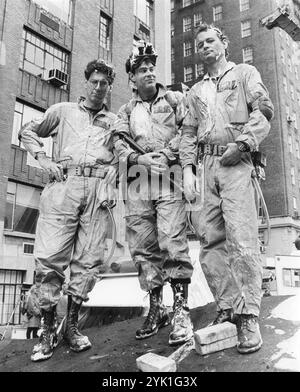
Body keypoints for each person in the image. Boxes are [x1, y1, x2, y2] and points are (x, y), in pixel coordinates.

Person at [180, 24, 274, 354]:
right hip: (205, 166)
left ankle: (248, 315)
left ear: (224, 43)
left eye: (211, 40)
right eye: (200, 43)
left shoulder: (244, 73)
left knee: (242, 237)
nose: (205, 46)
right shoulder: (194, 91)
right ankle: (228, 306)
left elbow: (264, 110)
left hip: (235, 161)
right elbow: (188, 133)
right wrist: (188, 170)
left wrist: (245, 143)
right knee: (209, 240)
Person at [19, 59, 118, 362]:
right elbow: (28, 130)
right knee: (51, 258)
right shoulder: (63, 111)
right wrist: (43, 160)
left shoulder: (114, 122)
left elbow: (122, 155)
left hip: (97, 191)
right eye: (95, 81)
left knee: (89, 260)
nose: (99, 87)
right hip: (64, 185)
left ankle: (71, 327)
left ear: (109, 88)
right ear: (86, 82)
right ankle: (48, 332)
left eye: (104, 83)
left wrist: (113, 177)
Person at [113, 41, 194, 346]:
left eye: (150, 68)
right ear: (132, 78)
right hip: (137, 179)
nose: (148, 73)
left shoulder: (174, 99)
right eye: (141, 69)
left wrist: (167, 154)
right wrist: (139, 159)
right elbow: (118, 143)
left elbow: (188, 131)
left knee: (173, 240)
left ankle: (181, 310)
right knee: (143, 248)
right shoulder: (125, 110)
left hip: (168, 175)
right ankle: (156, 309)